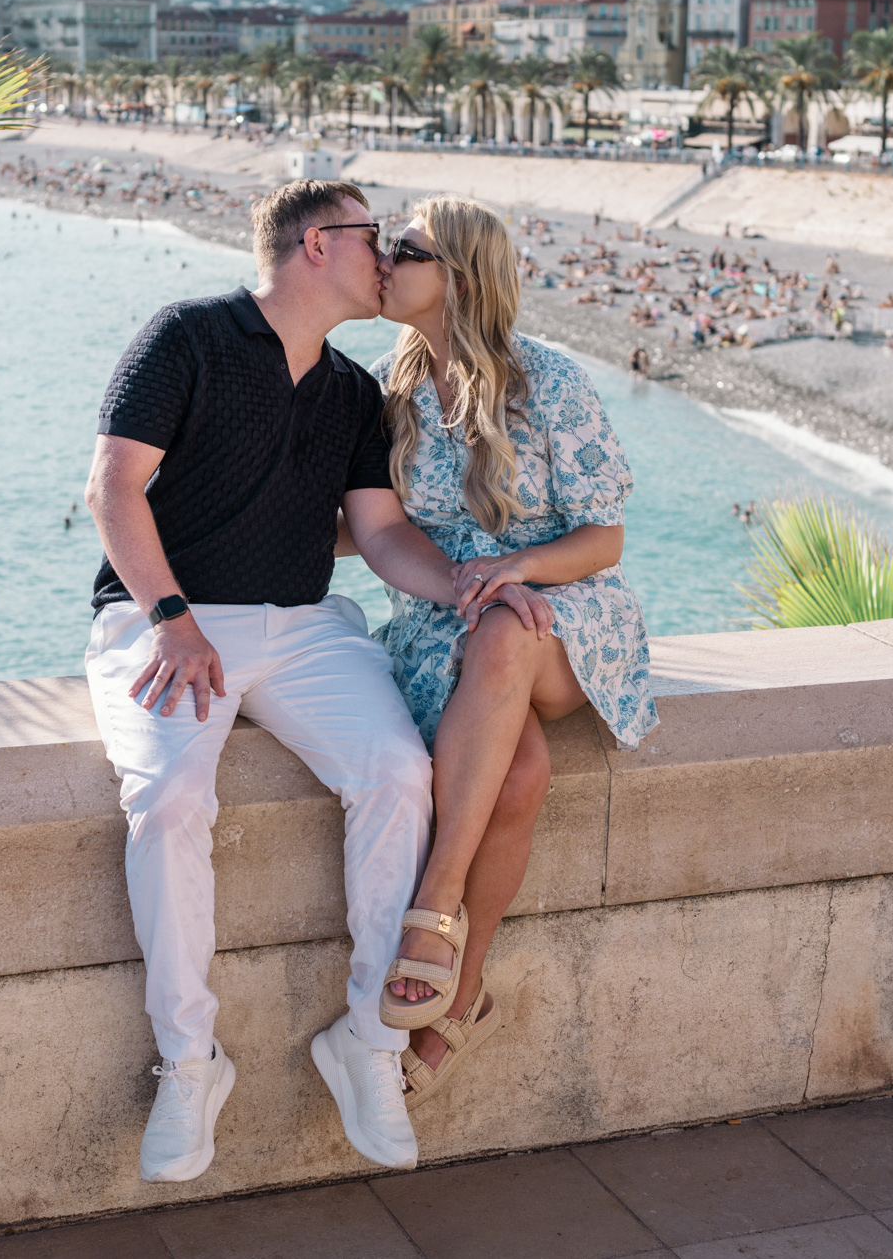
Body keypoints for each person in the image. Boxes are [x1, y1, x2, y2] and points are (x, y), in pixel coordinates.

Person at [82, 178, 551, 1182]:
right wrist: (171, 621)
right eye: (369, 238)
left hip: (303, 627)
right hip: (163, 621)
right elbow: (111, 491)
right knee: (167, 799)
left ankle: (371, 1044)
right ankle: (187, 1060)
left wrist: (470, 585)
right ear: (313, 247)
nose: (384, 255)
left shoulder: (352, 392)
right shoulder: (186, 338)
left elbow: (380, 535)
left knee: (394, 771)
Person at [366, 194, 658, 1110]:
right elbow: (369, 528)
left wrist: (514, 567)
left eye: (401, 249)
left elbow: (604, 537)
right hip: (448, 617)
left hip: (567, 613)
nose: (381, 259)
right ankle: (470, 984)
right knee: (520, 772)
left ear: (454, 275)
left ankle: (435, 907)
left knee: (507, 626)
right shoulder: (392, 386)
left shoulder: (548, 381)